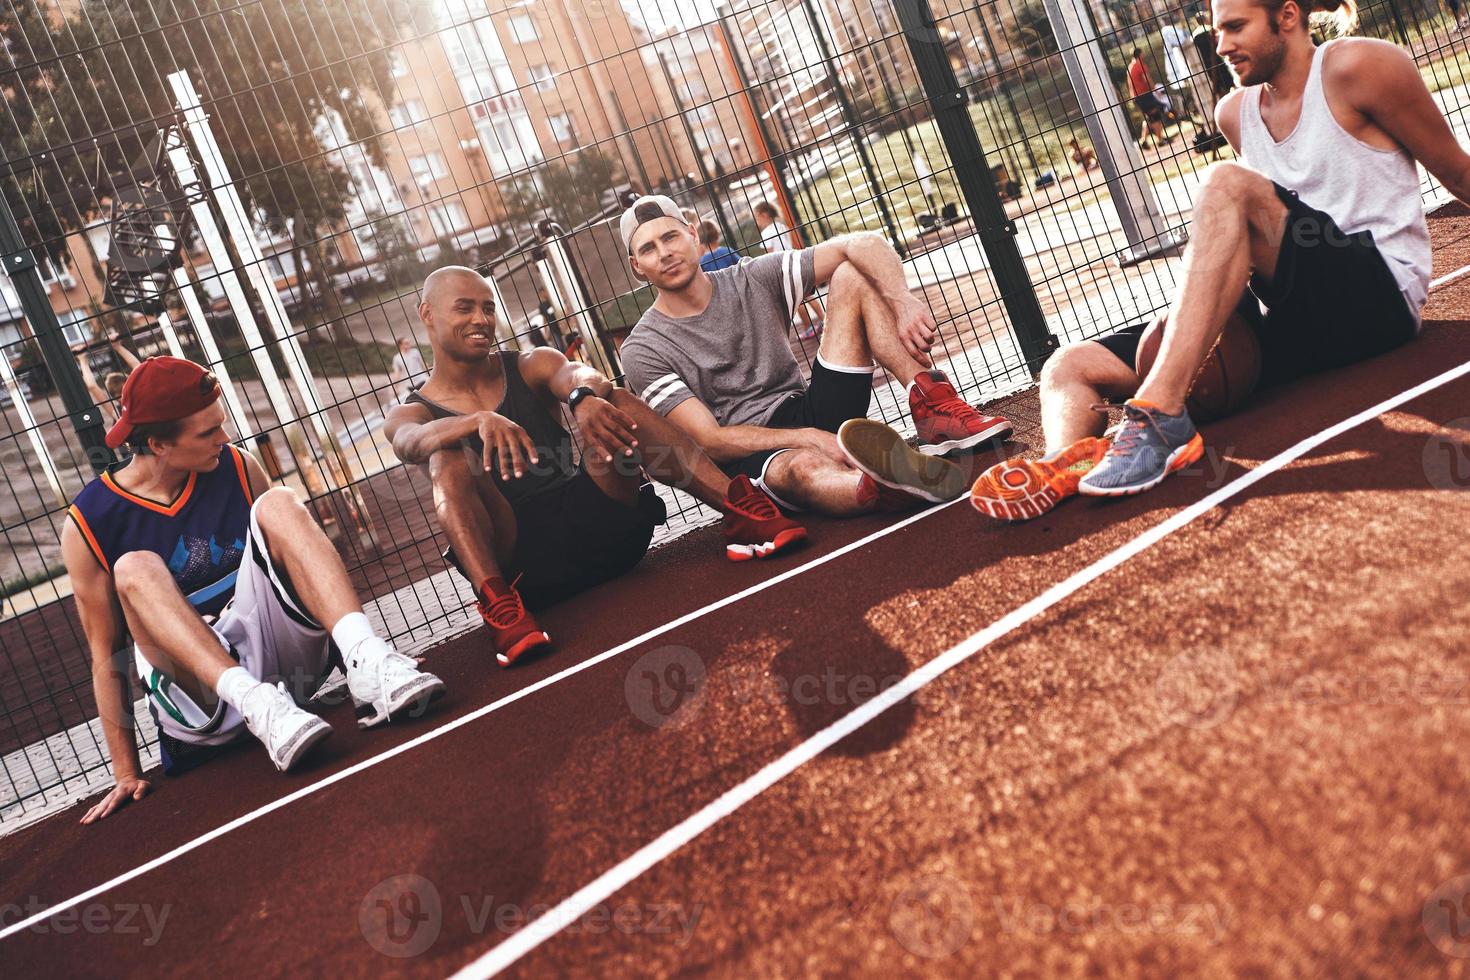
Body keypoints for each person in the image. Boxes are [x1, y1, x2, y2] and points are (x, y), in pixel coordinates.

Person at [972, 0, 1460, 519]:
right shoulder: (1235, 112)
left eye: (1234, 27)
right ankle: (1062, 464)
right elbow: (1256, 245)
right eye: (1215, 29)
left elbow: (1457, 173)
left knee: (1225, 183)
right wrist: (1205, 335)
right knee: (1068, 364)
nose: (1220, 44)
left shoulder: (1358, 66)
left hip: (1376, 296)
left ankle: (1159, 414)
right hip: (1295, 313)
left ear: (1287, 16)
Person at [62, 357, 445, 819]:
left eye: (220, 425)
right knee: (135, 567)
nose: (224, 439)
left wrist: (354, 661)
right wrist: (126, 772)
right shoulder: (90, 521)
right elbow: (106, 652)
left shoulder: (235, 467)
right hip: (204, 696)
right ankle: (257, 704)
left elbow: (292, 566)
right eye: (208, 433)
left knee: (279, 502)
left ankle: (368, 662)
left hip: (284, 670)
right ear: (159, 444)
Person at [382, 266, 806, 667]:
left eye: (488, 307)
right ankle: (502, 613)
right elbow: (408, 441)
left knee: (613, 401)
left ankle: (740, 509)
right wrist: (473, 422)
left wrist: (582, 397)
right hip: (525, 572)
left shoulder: (530, 364)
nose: (481, 318)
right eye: (464, 307)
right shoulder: (411, 413)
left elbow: (580, 373)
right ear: (427, 314)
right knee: (446, 456)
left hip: (601, 526)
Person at [617, 195, 1013, 520]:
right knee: (804, 467)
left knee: (851, 272)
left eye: (670, 237)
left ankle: (932, 404)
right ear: (637, 267)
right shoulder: (642, 347)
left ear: (692, 234)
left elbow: (861, 243)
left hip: (808, 408)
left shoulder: (751, 277)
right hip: (751, 454)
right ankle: (877, 486)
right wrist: (807, 439)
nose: (665, 253)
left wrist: (902, 300)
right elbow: (711, 441)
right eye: (648, 249)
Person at [75, 330, 142, 423]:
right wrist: (118, 347)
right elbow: (138, 368)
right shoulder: (141, 400)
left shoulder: (119, 413)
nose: (125, 396)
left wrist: (82, 360)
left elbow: (92, 386)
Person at [1128, 49, 1170, 147]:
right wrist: (1155, 90)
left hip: (1137, 96)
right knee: (1154, 115)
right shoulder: (1140, 65)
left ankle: (1143, 141)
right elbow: (1147, 79)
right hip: (1144, 94)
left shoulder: (1131, 66)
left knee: (1150, 117)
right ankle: (1160, 140)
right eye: (1143, 52)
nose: (1144, 54)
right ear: (1139, 54)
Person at [388, 336, 428, 400]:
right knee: (418, 401)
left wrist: (430, 375)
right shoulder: (397, 358)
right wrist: (396, 387)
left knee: (428, 398)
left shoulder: (415, 352)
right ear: (400, 345)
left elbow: (423, 364)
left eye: (409, 342)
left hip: (422, 380)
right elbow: (397, 374)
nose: (409, 344)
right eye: (406, 343)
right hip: (410, 384)